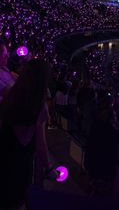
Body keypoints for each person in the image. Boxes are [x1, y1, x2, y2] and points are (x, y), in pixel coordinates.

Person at [0, 59, 54, 209]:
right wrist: (49, 167)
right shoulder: (39, 105)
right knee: (17, 200)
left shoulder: (9, 93)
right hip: (21, 161)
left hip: (4, 151)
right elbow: (40, 143)